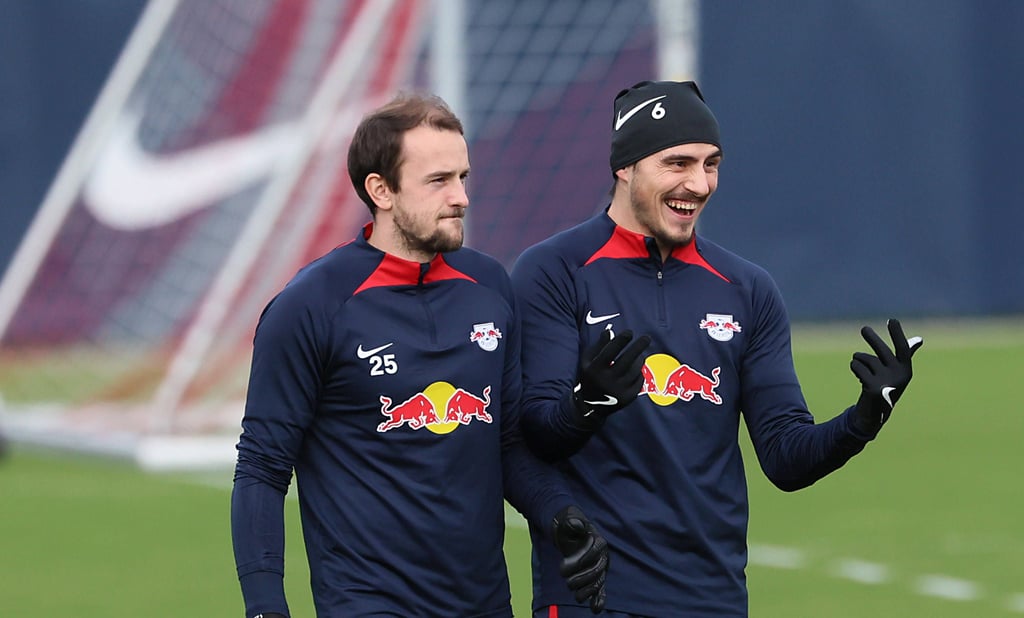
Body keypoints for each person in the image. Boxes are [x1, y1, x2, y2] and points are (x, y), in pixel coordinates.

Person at [510, 80, 924, 617]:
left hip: (713, 598)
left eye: (711, 164)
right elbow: (533, 434)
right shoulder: (554, 271)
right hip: (595, 597)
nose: (699, 184)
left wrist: (864, 418)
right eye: (677, 163)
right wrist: (588, 403)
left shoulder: (747, 289)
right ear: (625, 166)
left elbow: (785, 457)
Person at [231, 92, 609, 618]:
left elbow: (505, 443)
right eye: (438, 181)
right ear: (381, 190)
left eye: (463, 177)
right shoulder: (312, 305)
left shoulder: (491, 287)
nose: (460, 198)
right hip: (367, 604)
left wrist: (558, 512)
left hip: (484, 603)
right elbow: (262, 468)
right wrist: (264, 605)